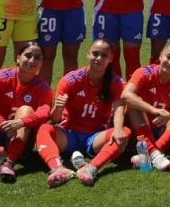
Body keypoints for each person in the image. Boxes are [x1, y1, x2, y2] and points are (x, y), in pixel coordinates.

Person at [35, 39, 130, 187]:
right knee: (44, 129)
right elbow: (54, 119)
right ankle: (57, 168)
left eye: (104, 55)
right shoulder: (70, 80)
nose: (98, 58)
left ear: (111, 58)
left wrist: (118, 130)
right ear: (88, 54)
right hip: (69, 135)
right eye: (95, 54)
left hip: (95, 137)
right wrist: (58, 108)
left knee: (124, 131)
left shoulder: (116, 82)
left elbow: (119, 110)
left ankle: (91, 168)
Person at [0, 41, 52, 182]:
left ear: (42, 62)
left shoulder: (43, 87)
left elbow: (45, 112)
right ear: (18, 58)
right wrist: (1, 122)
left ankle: (9, 162)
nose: (32, 60)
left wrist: (20, 122)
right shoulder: (0, 77)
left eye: (37, 57)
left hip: (19, 145)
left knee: (26, 110)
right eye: (28, 55)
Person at [121, 41, 170, 171]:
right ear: (160, 56)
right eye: (168, 57)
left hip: (160, 129)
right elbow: (125, 95)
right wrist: (154, 110)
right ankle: (155, 153)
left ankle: (151, 153)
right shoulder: (144, 72)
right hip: (137, 131)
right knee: (133, 103)